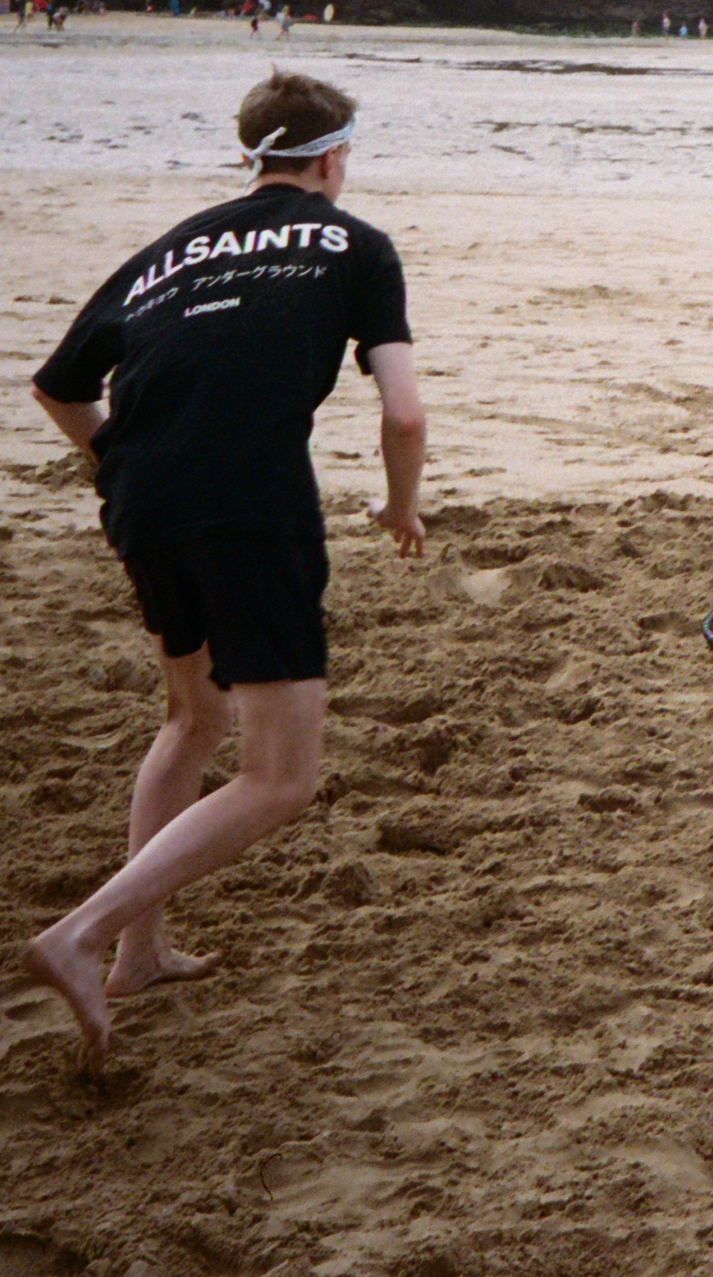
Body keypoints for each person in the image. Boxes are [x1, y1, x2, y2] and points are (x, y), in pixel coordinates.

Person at [22, 71, 425, 1069]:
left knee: (192, 718)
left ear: (252, 157)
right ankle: (79, 933)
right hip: (248, 502)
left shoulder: (168, 247)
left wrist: (117, 459)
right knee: (279, 776)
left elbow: (58, 386)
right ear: (333, 157)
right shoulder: (356, 243)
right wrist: (402, 504)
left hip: (140, 495)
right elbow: (405, 410)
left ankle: (138, 953)